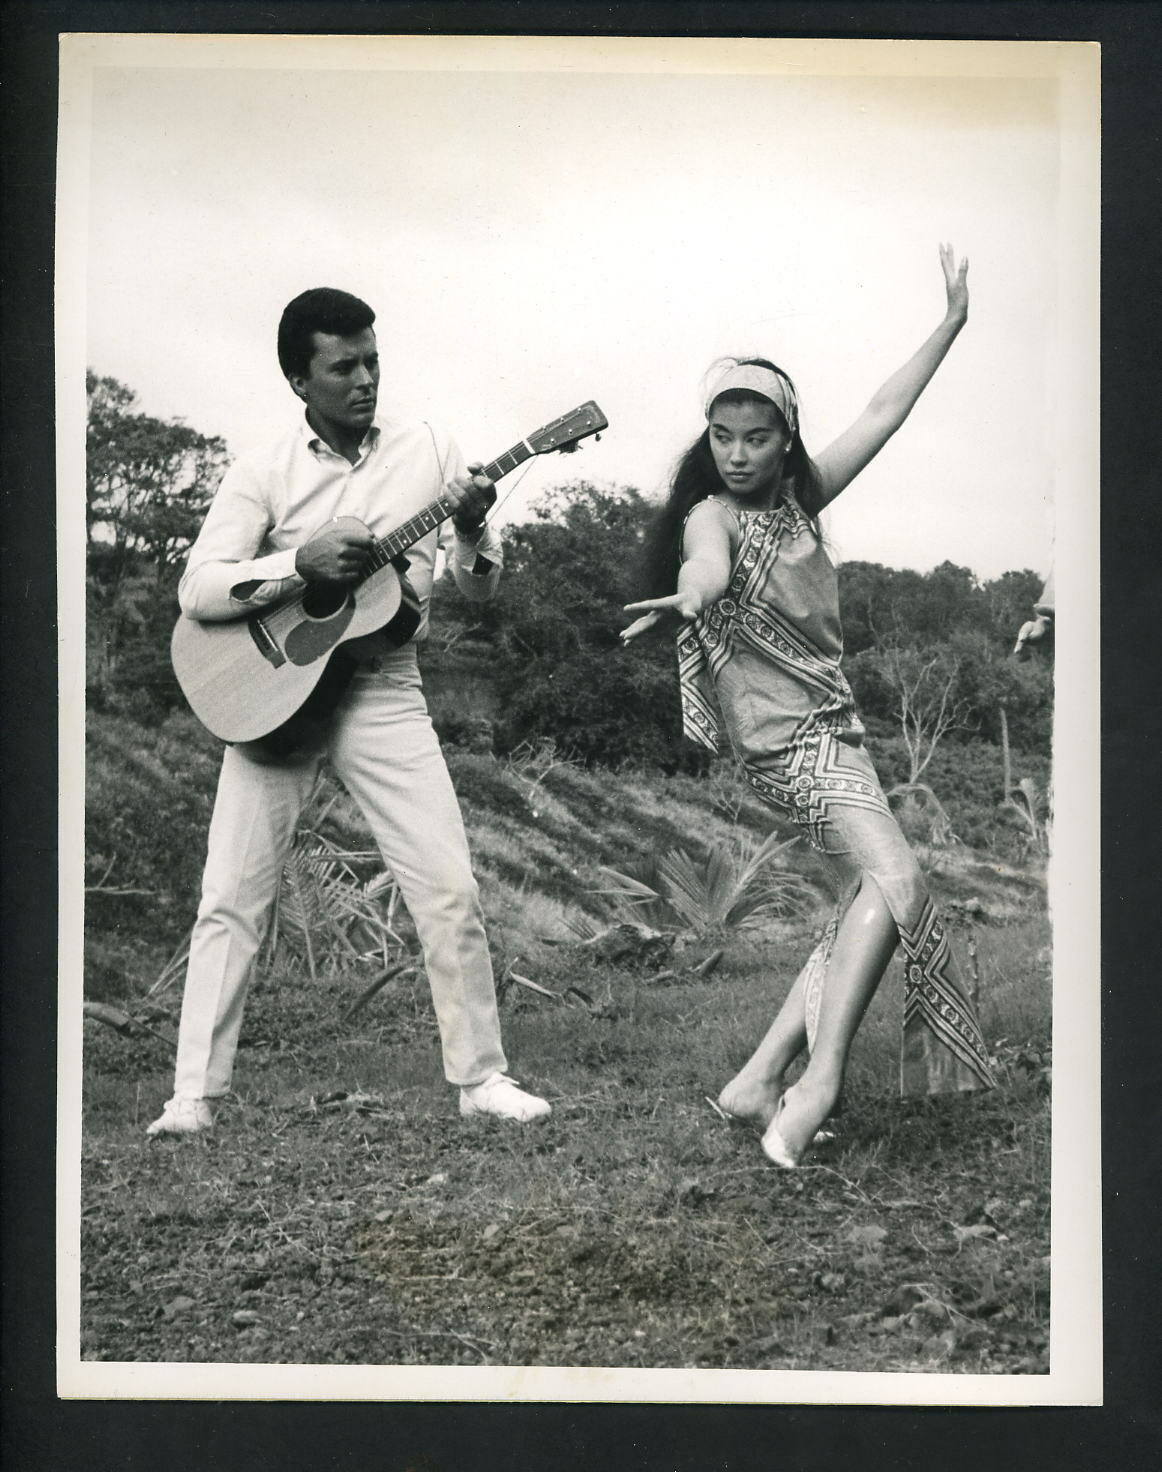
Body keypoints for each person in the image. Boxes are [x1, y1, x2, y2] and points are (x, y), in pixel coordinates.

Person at [621, 246, 994, 1168]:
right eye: (722, 437)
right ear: (707, 440)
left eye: (755, 437)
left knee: (870, 893)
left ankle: (756, 1077)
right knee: (897, 881)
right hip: (785, 747)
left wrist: (946, 327)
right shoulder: (714, 514)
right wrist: (696, 595)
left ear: (784, 439)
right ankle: (817, 1082)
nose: (737, 454)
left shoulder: (804, 501)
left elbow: (883, 411)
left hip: (839, 733)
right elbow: (703, 560)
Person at [147, 287, 551, 1136]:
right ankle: (194, 1098)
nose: (366, 379)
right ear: (301, 379)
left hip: (382, 683)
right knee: (231, 893)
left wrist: (473, 532)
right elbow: (199, 585)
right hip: (275, 696)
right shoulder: (263, 468)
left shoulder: (430, 448)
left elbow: (480, 594)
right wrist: (301, 562)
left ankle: (480, 1078)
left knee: (447, 885)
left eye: (373, 359)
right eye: (343, 366)